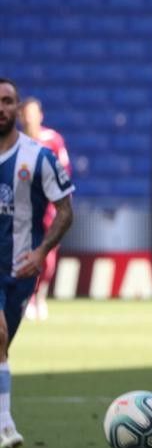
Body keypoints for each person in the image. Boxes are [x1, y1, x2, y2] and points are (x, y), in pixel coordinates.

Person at [0, 79, 75, 448]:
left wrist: (43, 250)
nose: (2, 107)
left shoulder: (39, 156)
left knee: (2, 345)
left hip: (21, 267)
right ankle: (6, 424)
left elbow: (65, 209)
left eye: (8, 101)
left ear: (17, 108)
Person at [17, 96, 72, 321]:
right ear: (21, 118)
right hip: (24, 209)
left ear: (40, 116)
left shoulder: (53, 141)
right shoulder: (15, 143)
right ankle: (28, 299)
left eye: (33, 113)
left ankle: (39, 296)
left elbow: (63, 172)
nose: (29, 118)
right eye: (26, 114)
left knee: (47, 258)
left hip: (49, 207)